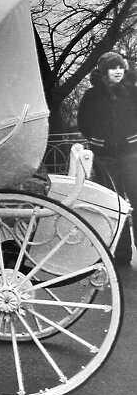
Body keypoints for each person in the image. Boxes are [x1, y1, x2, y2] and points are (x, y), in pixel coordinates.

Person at [77, 50, 137, 265]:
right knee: (114, 204)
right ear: (103, 72)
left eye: (121, 67)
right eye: (113, 68)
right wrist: (96, 140)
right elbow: (83, 121)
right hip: (105, 157)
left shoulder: (133, 92)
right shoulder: (91, 96)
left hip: (133, 154)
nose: (118, 71)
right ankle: (121, 253)